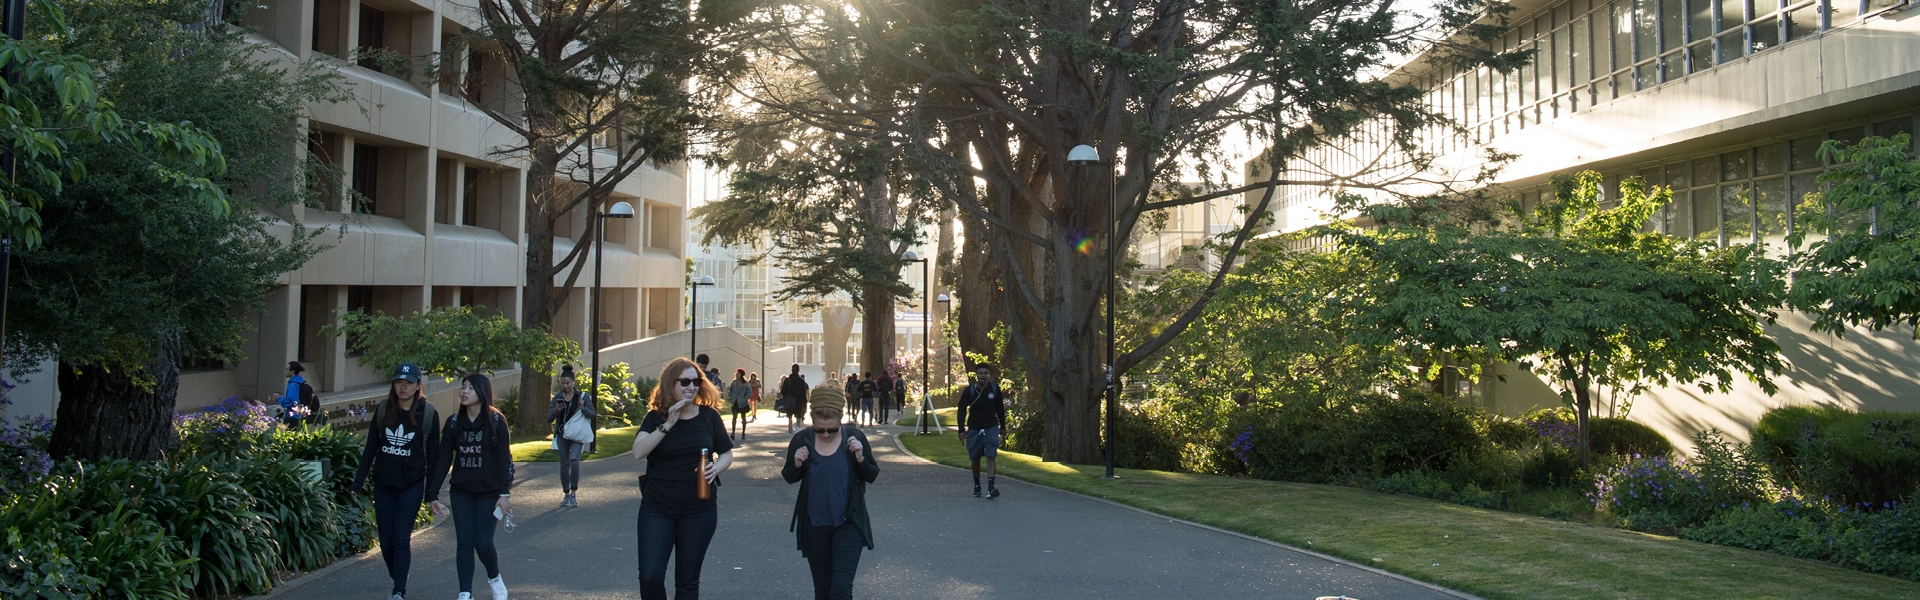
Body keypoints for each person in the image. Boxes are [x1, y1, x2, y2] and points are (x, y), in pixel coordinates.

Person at [631, 357, 736, 600]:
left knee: (687, 582)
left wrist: (716, 468)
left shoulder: (708, 417)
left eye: (696, 381)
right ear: (671, 384)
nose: (691, 387)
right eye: (685, 382)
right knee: (650, 575)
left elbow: (727, 454)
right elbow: (638, 452)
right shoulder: (656, 418)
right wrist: (668, 423)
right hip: (658, 506)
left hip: (699, 509)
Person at [350, 363, 443, 600]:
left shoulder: (428, 413)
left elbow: (434, 458)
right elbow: (370, 448)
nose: (403, 386)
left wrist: (431, 494)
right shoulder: (384, 410)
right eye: (399, 382)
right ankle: (399, 575)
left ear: (418, 385)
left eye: (409, 382)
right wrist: (357, 483)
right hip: (384, 486)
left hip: (411, 486)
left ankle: (398, 590)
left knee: (401, 538)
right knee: (386, 542)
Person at [781, 388, 879, 600]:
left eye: (831, 430)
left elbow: (872, 475)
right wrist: (797, 464)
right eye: (819, 430)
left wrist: (860, 458)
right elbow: (789, 476)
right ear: (812, 421)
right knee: (823, 592)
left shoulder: (854, 438)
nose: (825, 434)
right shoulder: (802, 440)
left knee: (841, 590)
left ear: (840, 420)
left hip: (849, 522)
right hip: (815, 525)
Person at [427, 374, 514, 600]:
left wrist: (504, 495)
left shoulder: (496, 422)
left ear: (482, 393)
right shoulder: (454, 423)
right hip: (461, 492)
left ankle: (494, 578)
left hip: (490, 492)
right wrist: (433, 492)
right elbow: (443, 459)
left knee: (483, 542)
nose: (464, 392)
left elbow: (504, 460)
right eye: (463, 387)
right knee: (464, 541)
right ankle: (465, 592)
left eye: (470, 388)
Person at [956, 364, 1007, 499]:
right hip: (974, 428)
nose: (983, 376)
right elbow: (961, 409)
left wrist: (1003, 426)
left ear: (988, 374)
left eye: (985, 373)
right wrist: (961, 429)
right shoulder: (969, 391)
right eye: (980, 373)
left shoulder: (994, 389)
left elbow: (1000, 409)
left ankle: (991, 487)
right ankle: (977, 485)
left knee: (991, 455)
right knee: (975, 458)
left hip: (990, 427)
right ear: (976, 375)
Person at [548, 365, 595, 507]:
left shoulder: (582, 396)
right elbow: (549, 419)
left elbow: (592, 414)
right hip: (563, 434)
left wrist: (583, 407)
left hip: (577, 434)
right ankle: (566, 493)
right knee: (564, 463)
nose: (565, 386)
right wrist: (556, 411)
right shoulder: (557, 397)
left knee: (574, 461)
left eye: (568, 383)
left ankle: (574, 493)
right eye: (563, 383)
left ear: (573, 382)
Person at [277, 361, 321, 428]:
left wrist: (279, 398)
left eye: (287, 369)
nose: (285, 371)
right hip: (301, 417)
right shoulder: (301, 383)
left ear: (293, 371)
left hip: (293, 418)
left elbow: (292, 402)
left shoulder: (293, 385)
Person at [779, 364, 810, 434]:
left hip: (789, 401)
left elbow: (782, 391)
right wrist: (805, 405)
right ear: (798, 370)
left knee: (790, 417)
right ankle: (797, 430)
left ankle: (790, 431)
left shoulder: (787, 380)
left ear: (791, 370)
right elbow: (803, 394)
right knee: (798, 418)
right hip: (799, 402)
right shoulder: (801, 381)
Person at [727, 368, 754, 441]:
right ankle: (733, 433)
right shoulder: (733, 382)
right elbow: (730, 391)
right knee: (734, 417)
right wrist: (731, 397)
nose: (737, 374)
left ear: (742, 375)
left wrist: (745, 398)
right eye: (737, 373)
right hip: (735, 402)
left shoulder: (746, 383)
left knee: (743, 418)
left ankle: (743, 433)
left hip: (743, 403)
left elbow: (749, 393)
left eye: (739, 373)